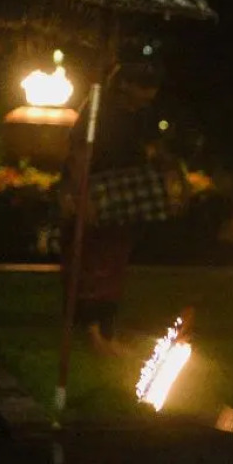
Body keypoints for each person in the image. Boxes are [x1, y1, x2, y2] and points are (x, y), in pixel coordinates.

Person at [59, 59, 161, 357]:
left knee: (114, 263)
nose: (147, 97)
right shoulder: (98, 111)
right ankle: (92, 332)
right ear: (126, 85)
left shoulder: (139, 116)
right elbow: (79, 154)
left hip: (123, 200)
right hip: (94, 193)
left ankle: (106, 329)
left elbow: (146, 151)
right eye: (143, 88)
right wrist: (82, 195)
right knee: (91, 262)